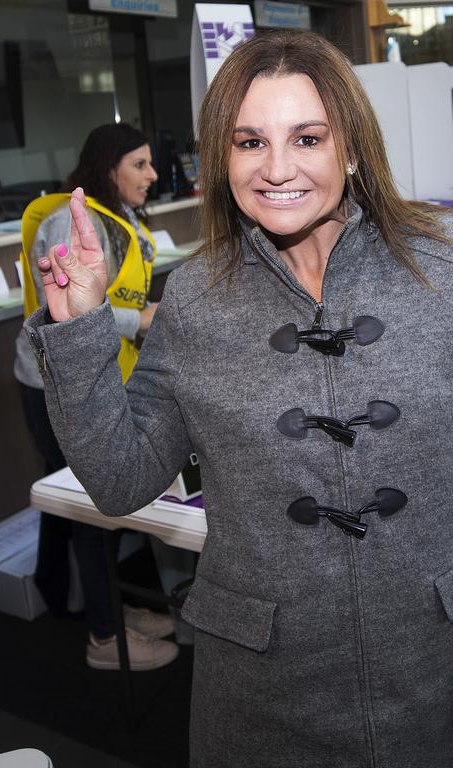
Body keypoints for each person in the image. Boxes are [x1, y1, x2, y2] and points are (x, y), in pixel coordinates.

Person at [26, 29, 453, 767]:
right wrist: (81, 331)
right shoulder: (195, 298)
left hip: (431, 663)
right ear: (222, 160)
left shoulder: (439, 274)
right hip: (261, 685)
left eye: (308, 137)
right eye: (251, 142)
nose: (278, 168)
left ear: (350, 147)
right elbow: (122, 480)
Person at [15, 123, 178, 671]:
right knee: (88, 507)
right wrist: (142, 318)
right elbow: (64, 307)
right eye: (140, 164)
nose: (152, 175)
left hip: (103, 371)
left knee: (89, 506)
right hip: (57, 383)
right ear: (110, 168)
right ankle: (105, 638)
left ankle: (90, 603)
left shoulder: (123, 218)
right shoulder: (71, 220)